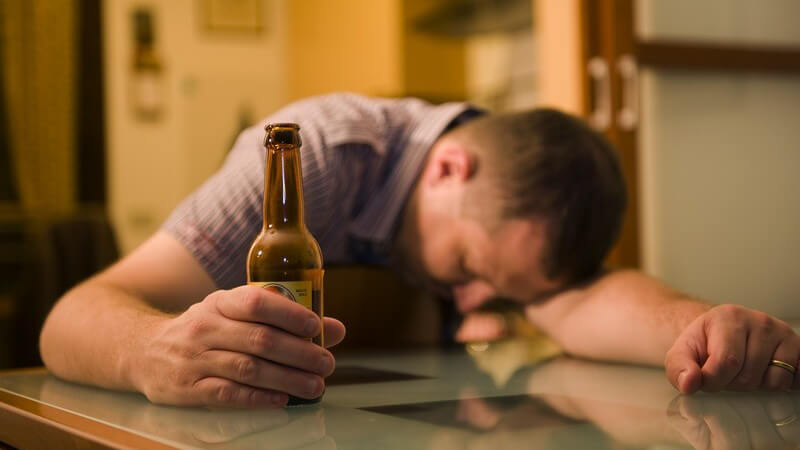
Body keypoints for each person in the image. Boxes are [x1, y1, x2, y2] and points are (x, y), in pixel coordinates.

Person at [40, 93, 800, 408]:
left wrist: (702, 330)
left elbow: (581, 304)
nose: (471, 306)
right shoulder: (319, 154)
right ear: (447, 170)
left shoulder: (503, 204)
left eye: (499, 295)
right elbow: (71, 316)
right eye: (467, 270)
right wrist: (154, 350)